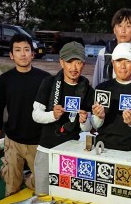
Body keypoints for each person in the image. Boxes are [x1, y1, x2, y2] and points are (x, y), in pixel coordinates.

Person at [0, 33, 50, 196]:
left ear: (33, 53)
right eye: (17, 50)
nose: (22, 54)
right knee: (11, 188)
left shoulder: (45, 79)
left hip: (38, 142)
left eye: (26, 49)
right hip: (13, 141)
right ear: (11, 55)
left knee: (43, 188)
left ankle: (28, 180)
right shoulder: (4, 80)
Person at [32, 41, 95, 194]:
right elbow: (35, 115)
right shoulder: (48, 83)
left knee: (67, 197)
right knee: (42, 194)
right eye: (69, 62)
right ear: (61, 62)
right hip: (46, 148)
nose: (74, 68)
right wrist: (52, 114)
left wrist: (84, 120)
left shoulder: (88, 90)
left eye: (78, 62)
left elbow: (88, 128)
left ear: (83, 64)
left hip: (71, 152)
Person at [91, 42, 131, 151]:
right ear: (112, 62)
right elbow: (95, 125)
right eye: (119, 61)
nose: (123, 66)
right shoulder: (102, 88)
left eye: (128, 61)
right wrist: (99, 117)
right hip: (102, 147)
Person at [92, 8, 131, 88]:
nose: (123, 31)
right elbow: (96, 83)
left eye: (128, 26)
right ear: (114, 29)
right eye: (119, 26)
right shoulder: (103, 53)